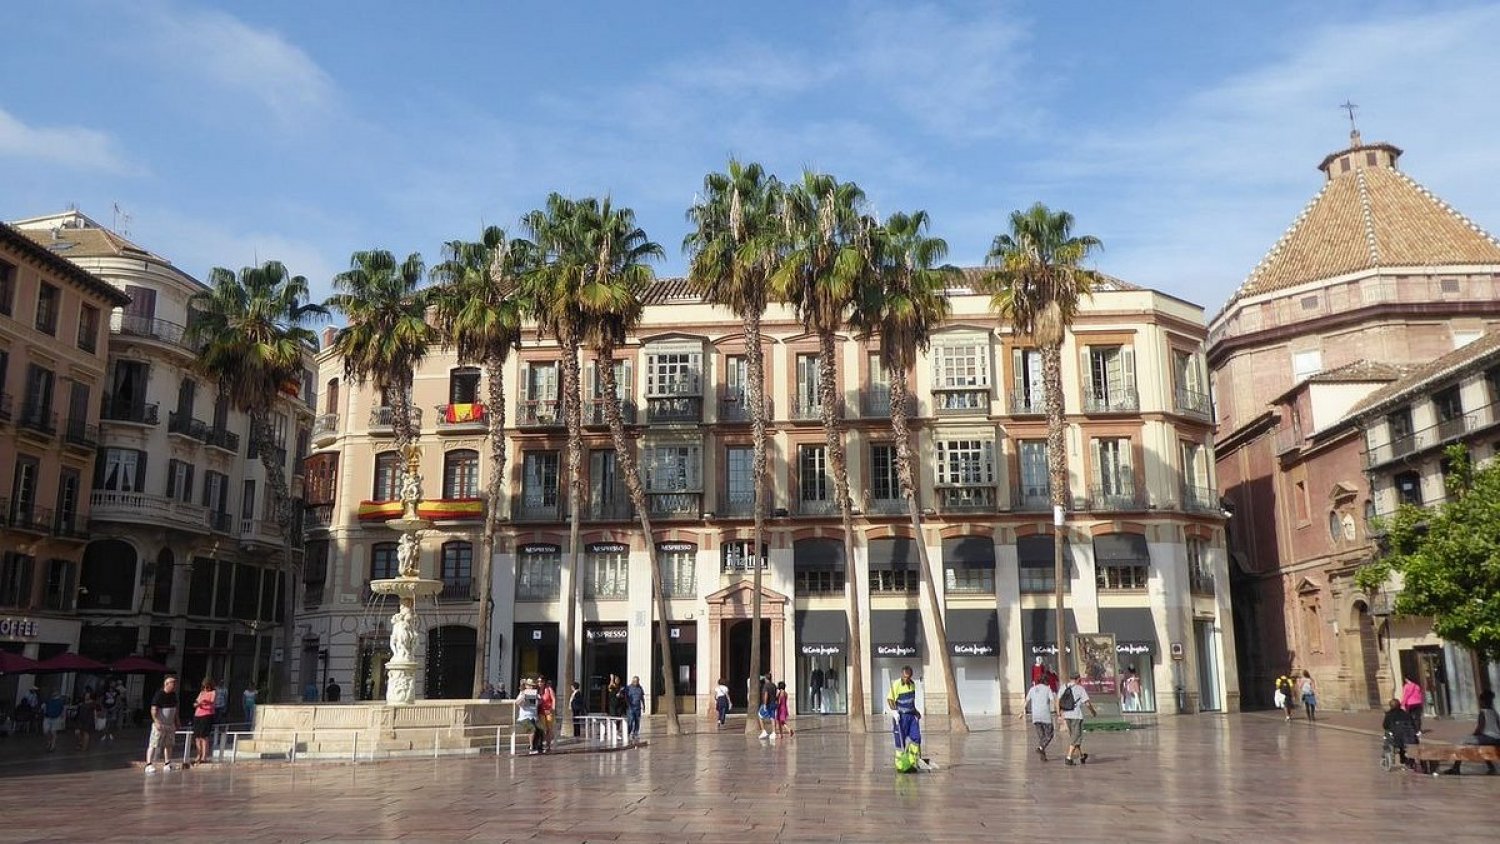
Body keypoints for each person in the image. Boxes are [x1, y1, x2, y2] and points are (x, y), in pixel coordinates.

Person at [1445, 689, 1500, 776]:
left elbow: (1480, 727)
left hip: (1487, 737)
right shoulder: (1494, 712)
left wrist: (1473, 735)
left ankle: (1456, 767)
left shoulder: (1483, 712)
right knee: (1483, 747)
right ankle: (1491, 767)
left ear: (1482, 701)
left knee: (1462, 741)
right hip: (1497, 738)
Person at [887, 665, 927, 771]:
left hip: (911, 716)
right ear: (902, 674)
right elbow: (890, 699)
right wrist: (894, 711)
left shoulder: (913, 685)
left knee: (916, 738)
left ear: (911, 676)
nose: (906, 679)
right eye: (904, 677)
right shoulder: (896, 684)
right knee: (900, 741)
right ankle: (901, 765)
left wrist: (916, 712)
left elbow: (911, 701)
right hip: (900, 717)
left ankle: (912, 761)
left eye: (908, 677)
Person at [1059, 672, 1097, 766]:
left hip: (1067, 715)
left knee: (1075, 736)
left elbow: (1058, 700)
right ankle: (1068, 757)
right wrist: (1093, 711)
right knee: (1076, 736)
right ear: (1078, 679)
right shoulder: (1080, 688)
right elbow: (1087, 703)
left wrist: (1059, 713)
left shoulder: (1064, 687)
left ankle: (1081, 756)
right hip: (1076, 716)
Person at [145, 676, 180, 775]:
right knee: (154, 743)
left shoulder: (173, 695)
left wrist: (177, 720)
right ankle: (149, 764)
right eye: (173, 683)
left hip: (170, 723)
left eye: (175, 683)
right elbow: (154, 709)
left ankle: (167, 763)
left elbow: (176, 709)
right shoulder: (159, 694)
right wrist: (156, 721)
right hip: (160, 723)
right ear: (167, 684)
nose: (175, 686)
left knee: (169, 744)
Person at [1022, 674, 1058, 761]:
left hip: (1036, 716)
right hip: (1045, 716)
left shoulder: (1032, 689)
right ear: (1046, 681)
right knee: (1050, 734)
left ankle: (1043, 755)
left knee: (1042, 737)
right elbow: (1053, 701)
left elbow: (1026, 701)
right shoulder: (1048, 689)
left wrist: (1021, 712)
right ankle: (1041, 748)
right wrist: (1058, 712)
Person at [1382, 697, 1419, 769]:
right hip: (1409, 738)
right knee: (1404, 740)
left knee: (1389, 734)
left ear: (1390, 706)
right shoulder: (1406, 714)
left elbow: (1385, 726)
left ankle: (1386, 756)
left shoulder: (1389, 715)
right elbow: (1413, 725)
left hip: (1396, 739)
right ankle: (1408, 760)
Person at [192, 678, 216, 764]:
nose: (206, 689)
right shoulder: (202, 693)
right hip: (198, 714)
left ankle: (204, 756)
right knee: (197, 736)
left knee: (204, 736)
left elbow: (212, 702)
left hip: (207, 714)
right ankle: (198, 754)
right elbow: (196, 703)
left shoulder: (213, 693)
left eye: (207, 687)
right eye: (204, 687)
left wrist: (205, 702)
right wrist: (198, 704)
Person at [516, 679, 543, 755]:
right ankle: (531, 747)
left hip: (534, 716)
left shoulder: (535, 694)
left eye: (532, 686)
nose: (530, 687)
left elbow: (540, 702)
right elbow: (517, 703)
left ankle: (538, 746)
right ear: (526, 686)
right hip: (524, 717)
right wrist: (523, 697)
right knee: (532, 729)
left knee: (541, 729)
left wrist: (538, 698)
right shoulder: (522, 693)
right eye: (529, 685)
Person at [624, 676, 645, 742]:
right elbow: (626, 697)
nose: (636, 682)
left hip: (638, 707)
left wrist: (644, 706)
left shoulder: (640, 688)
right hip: (630, 707)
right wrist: (628, 704)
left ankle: (635, 733)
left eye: (637, 681)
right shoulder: (628, 688)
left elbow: (642, 697)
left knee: (637, 721)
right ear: (632, 681)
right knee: (631, 720)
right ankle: (628, 732)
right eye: (635, 681)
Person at [538, 677, 556, 751]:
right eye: (538, 681)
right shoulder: (537, 690)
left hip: (548, 711)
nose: (539, 683)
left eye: (541, 681)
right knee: (543, 729)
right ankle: (543, 743)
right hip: (541, 711)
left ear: (544, 682)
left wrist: (553, 708)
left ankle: (548, 745)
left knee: (549, 729)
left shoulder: (548, 689)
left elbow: (553, 698)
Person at [756, 674, 777, 740]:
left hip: (767, 703)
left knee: (759, 715)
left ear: (766, 679)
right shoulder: (774, 685)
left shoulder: (766, 686)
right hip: (773, 703)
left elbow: (766, 695)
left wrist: (765, 704)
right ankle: (774, 732)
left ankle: (763, 731)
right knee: (772, 717)